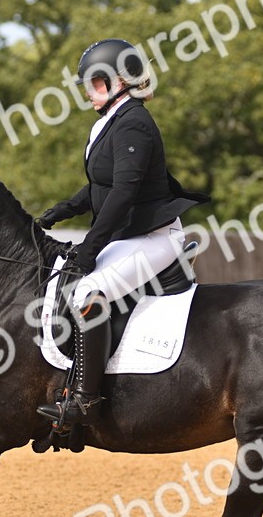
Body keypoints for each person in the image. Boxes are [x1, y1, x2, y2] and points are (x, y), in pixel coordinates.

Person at [35, 38, 209, 427]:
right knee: (67, 274)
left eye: (95, 82)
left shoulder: (134, 122)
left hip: (154, 238)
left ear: (120, 82)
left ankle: (84, 402)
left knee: (85, 291)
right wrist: (68, 207)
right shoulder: (111, 120)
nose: (87, 91)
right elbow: (104, 183)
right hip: (131, 237)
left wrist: (90, 247)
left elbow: (124, 193)